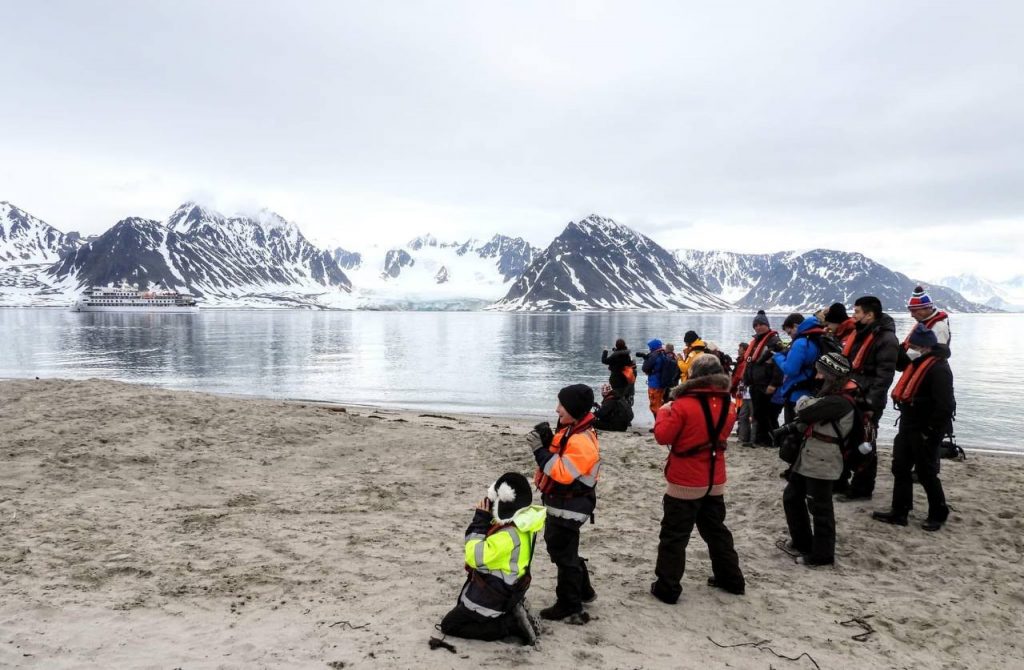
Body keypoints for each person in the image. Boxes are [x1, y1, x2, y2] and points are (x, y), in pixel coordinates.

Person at [651, 354, 745, 603]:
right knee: (716, 531)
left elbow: (663, 436)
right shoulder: (729, 404)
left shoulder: (682, 405)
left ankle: (668, 587)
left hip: (685, 480)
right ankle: (731, 579)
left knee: (674, 535)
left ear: (694, 376)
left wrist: (664, 412)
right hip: (714, 477)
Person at [440, 472, 547, 644]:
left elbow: (474, 556)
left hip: (492, 594)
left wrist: (480, 519)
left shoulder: (507, 535)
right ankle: (512, 610)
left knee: (450, 625)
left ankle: (510, 625)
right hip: (511, 586)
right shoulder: (524, 523)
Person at [528, 384, 601, 622]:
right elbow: (562, 458)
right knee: (564, 549)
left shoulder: (581, 439)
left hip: (570, 507)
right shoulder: (572, 431)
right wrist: (550, 441)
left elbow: (561, 472)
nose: (557, 408)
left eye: (562, 405)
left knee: (563, 554)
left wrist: (540, 451)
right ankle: (584, 591)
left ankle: (569, 604)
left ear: (574, 409)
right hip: (564, 504)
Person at [779, 353, 859, 566]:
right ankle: (802, 542)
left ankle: (822, 555)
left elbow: (805, 411)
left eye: (821, 370)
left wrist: (805, 402)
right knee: (792, 497)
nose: (817, 375)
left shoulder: (839, 401)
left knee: (820, 507)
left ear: (831, 374)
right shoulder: (834, 396)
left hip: (824, 458)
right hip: (810, 456)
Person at [873, 324, 955, 531]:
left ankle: (938, 512)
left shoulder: (939, 369)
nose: (910, 349)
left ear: (925, 347)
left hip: (925, 428)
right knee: (900, 467)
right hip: (908, 424)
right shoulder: (917, 363)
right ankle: (899, 511)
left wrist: (931, 432)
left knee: (926, 472)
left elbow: (945, 405)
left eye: (914, 346)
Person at [834, 296, 899, 501]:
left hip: (867, 398)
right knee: (843, 439)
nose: (854, 316)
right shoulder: (860, 333)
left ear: (869, 315)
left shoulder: (887, 339)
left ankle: (862, 488)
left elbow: (884, 375)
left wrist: (871, 402)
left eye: (857, 312)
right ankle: (841, 480)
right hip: (851, 394)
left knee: (866, 442)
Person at [773, 314, 828, 424]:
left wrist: (778, 357)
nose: (790, 336)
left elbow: (791, 370)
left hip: (796, 393)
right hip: (810, 389)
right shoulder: (815, 340)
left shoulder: (800, 343)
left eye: (789, 333)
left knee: (793, 427)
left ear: (795, 326)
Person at [740, 310, 783, 447]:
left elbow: (779, 365)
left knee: (768, 414)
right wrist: (746, 380)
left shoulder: (774, 341)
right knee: (758, 413)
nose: (758, 327)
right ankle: (760, 439)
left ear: (767, 325)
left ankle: (773, 440)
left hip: (766, 384)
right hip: (755, 383)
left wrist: (774, 383)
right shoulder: (755, 342)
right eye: (756, 325)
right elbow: (749, 363)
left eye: (760, 324)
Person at [639, 339, 670, 420]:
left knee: (654, 405)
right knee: (660, 403)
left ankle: (658, 424)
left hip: (654, 384)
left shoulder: (654, 356)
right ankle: (661, 422)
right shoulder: (663, 354)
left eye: (650, 347)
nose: (649, 349)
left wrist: (646, 359)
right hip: (662, 383)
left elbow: (645, 368)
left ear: (653, 347)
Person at [601, 339, 637, 406]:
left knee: (617, 396)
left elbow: (604, 360)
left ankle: (619, 408)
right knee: (625, 395)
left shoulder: (615, 356)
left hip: (616, 380)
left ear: (616, 345)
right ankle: (627, 407)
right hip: (626, 379)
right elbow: (622, 355)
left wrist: (605, 351)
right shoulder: (627, 355)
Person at [732, 342, 752, 446]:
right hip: (743, 392)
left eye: (740, 349)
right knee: (744, 415)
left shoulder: (743, 362)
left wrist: (731, 386)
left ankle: (744, 436)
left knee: (743, 414)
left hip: (745, 392)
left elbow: (738, 377)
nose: (738, 350)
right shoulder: (744, 361)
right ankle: (745, 436)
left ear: (745, 350)